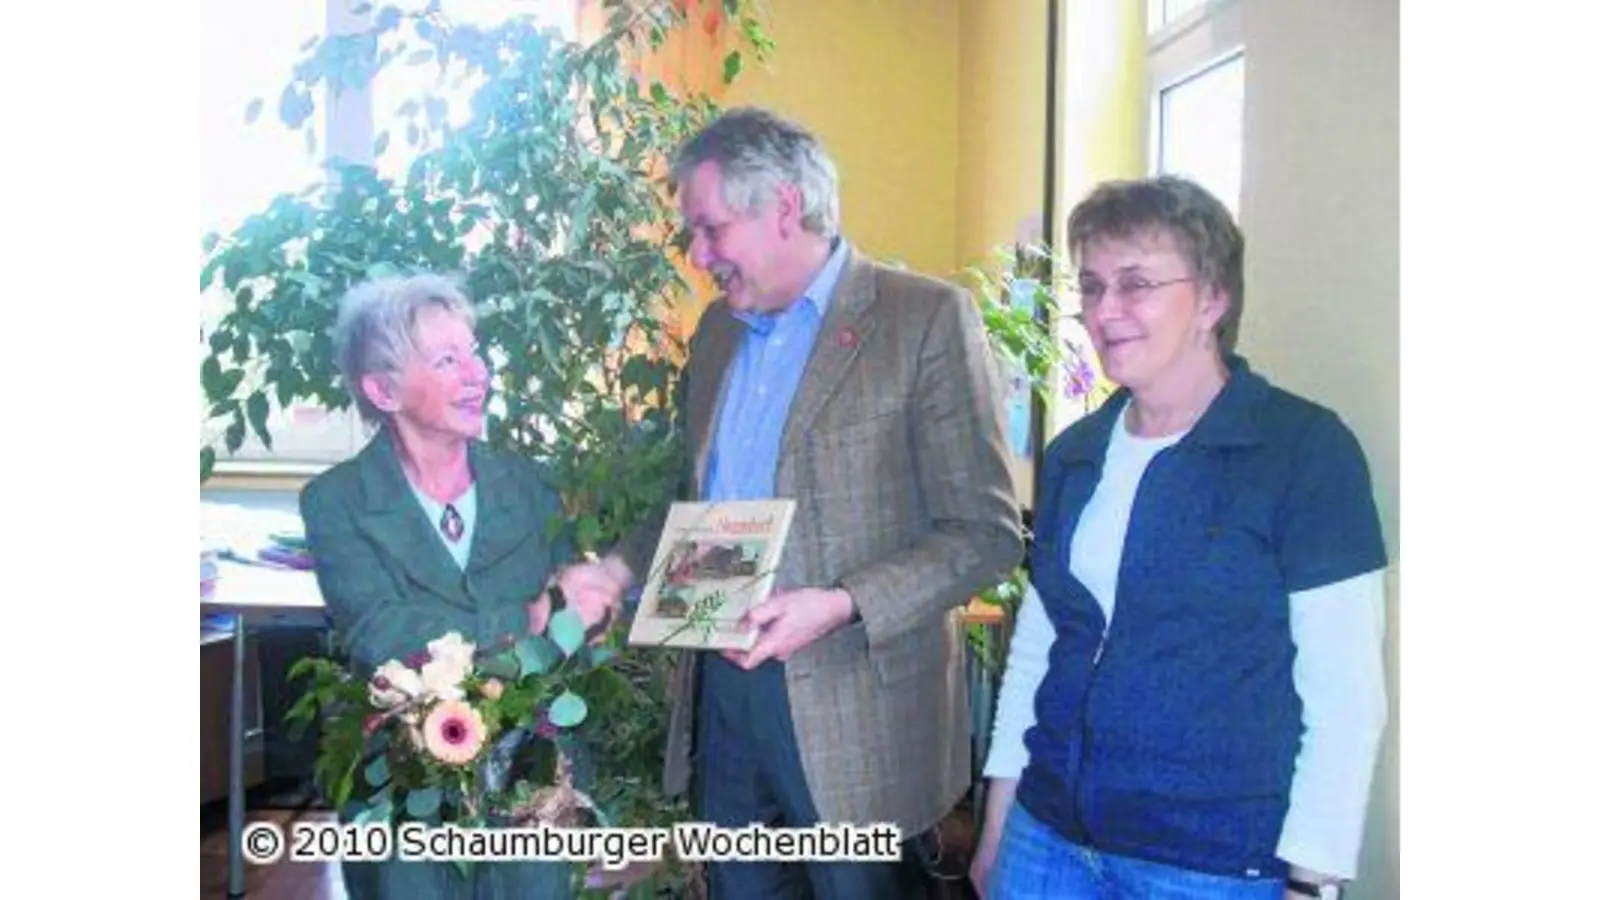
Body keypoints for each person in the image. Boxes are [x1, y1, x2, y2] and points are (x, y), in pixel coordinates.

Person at [559, 106, 1025, 899]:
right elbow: (691, 498)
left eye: (710, 229)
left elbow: (985, 533)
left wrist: (840, 604)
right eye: (692, 236)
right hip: (727, 697)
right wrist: (614, 570)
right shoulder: (715, 333)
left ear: (782, 205)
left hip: (859, 710)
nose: (699, 256)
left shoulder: (923, 320)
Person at [967, 175, 1389, 900]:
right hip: (1048, 840)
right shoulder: (1076, 456)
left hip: (1210, 865)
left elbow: (1345, 694)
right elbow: (1041, 647)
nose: (1106, 311)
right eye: (1093, 287)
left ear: (1214, 299)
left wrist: (1313, 884)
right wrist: (998, 823)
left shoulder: (1303, 452)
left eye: (1136, 284)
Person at [299, 273, 611, 900]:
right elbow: (382, 635)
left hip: (532, 781)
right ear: (383, 390)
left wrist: (595, 614)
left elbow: (568, 636)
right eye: (447, 360)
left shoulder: (530, 486)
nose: (478, 375)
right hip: (401, 792)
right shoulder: (335, 502)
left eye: (475, 352)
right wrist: (526, 618)